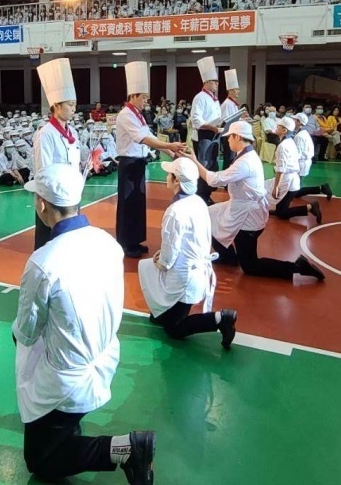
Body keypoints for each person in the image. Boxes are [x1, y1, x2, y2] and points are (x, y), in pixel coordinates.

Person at [16, 163, 156, 484]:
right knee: (59, 432)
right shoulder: (107, 243)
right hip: (103, 358)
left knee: (40, 460)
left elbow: (26, 331)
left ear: (41, 204)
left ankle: (127, 448)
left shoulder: (43, 262)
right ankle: (76, 431)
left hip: (64, 376)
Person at [180, 122, 324, 282]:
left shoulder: (245, 162)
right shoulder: (245, 155)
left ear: (238, 137)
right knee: (208, 215)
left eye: (229, 138)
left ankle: (297, 267)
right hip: (241, 206)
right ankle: (228, 257)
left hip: (247, 214)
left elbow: (215, 180)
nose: (227, 141)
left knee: (250, 265)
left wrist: (194, 160)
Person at [140, 158, 235, 348]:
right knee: (158, 313)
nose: (167, 176)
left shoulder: (175, 211)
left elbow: (171, 248)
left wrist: (162, 262)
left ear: (176, 181)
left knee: (174, 329)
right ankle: (166, 313)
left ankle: (219, 318)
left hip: (184, 276)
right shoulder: (198, 201)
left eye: (170, 174)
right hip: (196, 269)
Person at [116, 61, 187, 259]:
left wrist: (172, 153)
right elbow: (144, 139)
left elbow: (152, 138)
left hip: (138, 162)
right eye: (144, 97)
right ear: (134, 96)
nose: (146, 101)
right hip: (129, 163)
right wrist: (169, 147)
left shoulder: (138, 115)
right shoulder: (125, 115)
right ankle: (126, 242)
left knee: (138, 203)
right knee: (128, 204)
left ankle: (136, 239)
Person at [32, 58, 83, 250]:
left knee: (69, 239)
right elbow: (43, 171)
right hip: (53, 199)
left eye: (75, 105)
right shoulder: (45, 134)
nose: (74, 109)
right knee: (49, 240)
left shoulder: (73, 132)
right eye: (70, 105)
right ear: (56, 105)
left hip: (71, 194)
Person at [268, 118, 329, 223]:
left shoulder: (282, 146)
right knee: (278, 207)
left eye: (279, 126)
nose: (276, 127)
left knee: (281, 212)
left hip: (287, 180)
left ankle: (310, 207)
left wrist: (276, 187)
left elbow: (281, 169)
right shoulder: (290, 141)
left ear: (284, 130)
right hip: (292, 178)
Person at [189, 57, 222, 204]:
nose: (216, 84)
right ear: (206, 82)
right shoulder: (200, 97)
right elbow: (196, 119)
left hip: (215, 134)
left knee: (213, 164)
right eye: (214, 82)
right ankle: (200, 196)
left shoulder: (215, 99)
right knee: (204, 164)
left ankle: (207, 193)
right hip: (205, 135)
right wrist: (212, 127)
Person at [220, 69, 242, 170]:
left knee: (232, 158)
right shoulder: (227, 104)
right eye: (236, 89)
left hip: (233, 133)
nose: (238, 92)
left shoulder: (233, 104)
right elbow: (225, 121)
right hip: (228, 134)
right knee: (228, 158)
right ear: (230, 91)